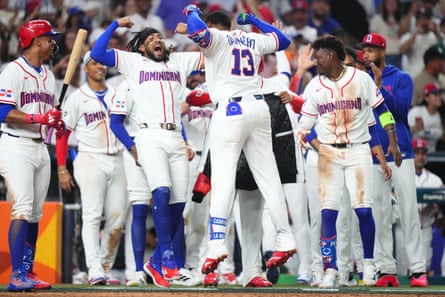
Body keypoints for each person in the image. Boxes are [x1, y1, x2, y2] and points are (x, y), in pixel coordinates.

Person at [182, 5, 297, 276]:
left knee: (223, 180)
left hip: (230, 110)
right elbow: (283, 41)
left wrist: (189, 11)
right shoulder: (250, 37)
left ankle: (216, 243)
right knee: (269, 177)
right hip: (258, 109)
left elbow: (198, 31)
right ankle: (285, 236)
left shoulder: (217, 38)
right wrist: (256, 20)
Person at [90, 17, 203, 288]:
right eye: (150, 39)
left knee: (178, 205)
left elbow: (212, 51)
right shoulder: (133, 63)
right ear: (140, 48)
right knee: (160, 192)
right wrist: (116, 24)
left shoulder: (179, 62)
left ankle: (155, 265)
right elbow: (97, 53)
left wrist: (193, 29)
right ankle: (168, 262)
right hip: (148, 135)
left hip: (176, 135)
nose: (157, 41)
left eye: (159, 38)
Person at [296, 35, 401, 289]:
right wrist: (301, 135)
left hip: (358, 150)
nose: (315, 61)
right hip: (329, 153)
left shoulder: (361, 79)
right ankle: (330, 269)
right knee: (328, 213)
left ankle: (368, 264)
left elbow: (383, 110)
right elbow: (305, 124)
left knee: (363, 210)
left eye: (318, 55)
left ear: (330, 55)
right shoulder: (315, 86)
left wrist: (393, 141)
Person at [361, 32, 429, 287]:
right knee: (380, 212)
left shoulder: (402, 78)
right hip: (373, 154)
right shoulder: (361, 80)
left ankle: (418, 270)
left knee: (409, 212)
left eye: (371, 49)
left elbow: (401, 111)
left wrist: (379, 88)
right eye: (364, 49)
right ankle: (386, 269)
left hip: (402, 152)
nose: (366, 53)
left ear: (382, 51)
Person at [55, 51, 128, 286]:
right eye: (94, 63)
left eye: (102, 63)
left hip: (118, 157)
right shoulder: (77, 97)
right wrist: (61, 168)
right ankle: (94, 268)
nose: (100, 67)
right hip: (90, 158)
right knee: (92, 215)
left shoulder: (118, 93)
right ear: (85, 68)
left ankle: (105, 267)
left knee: (117, 219)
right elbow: (63, 134)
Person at [0, 19, 62, 292]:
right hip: (16, 145)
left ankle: (27, 270)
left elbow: (50, 114)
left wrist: (56, 120)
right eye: (49, 38)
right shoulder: (12, 71)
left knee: (35, 214)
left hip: (40, 146)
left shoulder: (48, 74)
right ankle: (15, 275)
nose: (52, 43)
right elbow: (3, 112)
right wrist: (40, 117)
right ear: (37, 41)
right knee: (22, 208)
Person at [109, 80, 151, 287]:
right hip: (135, 145)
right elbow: (115, 122)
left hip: (165, 142)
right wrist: (131, 147)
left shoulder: (166, 78)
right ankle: (135, 271)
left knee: (175, 207)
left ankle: (166, 264)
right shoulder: (127, 84)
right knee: (138, 207)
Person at [394, 138, 443, 276]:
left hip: (424, 229)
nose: (420, 156)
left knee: (422, 270)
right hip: (401, 230)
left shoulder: (435, 180)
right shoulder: (399, 176)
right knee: (401, 270)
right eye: (417, 152)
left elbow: (440, 211)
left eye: (423, 153)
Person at [408, 82, 444, 152]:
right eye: (435, 94)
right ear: (426, 98)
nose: (439, 97)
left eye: (440, 94)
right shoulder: (416, 112)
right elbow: (402, 133)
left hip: (434, 154)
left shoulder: (442, 115)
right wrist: (415, 128)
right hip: (415, 153)